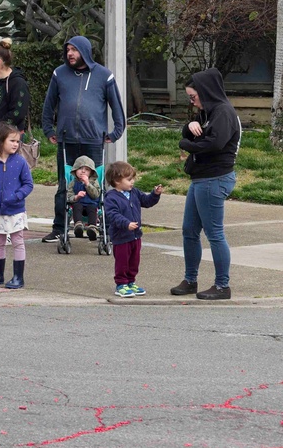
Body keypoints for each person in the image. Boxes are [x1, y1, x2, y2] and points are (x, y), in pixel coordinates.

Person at [40, 36, 126, 244]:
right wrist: (48, 129)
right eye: (68, 50)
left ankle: (98, 227)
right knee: (64, 185)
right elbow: (49, 104)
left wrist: (115, 133)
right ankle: (60, 228)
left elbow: (117, 107)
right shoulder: (59, 73)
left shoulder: (104, 76)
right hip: (66, 139)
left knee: (96, 185)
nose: (70, 53)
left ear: (85, 52)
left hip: (93, 140)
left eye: (75, 50)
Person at [171, 68, 241, 300]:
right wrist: (188, 127)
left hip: (214, 178)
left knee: (214, 234)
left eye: (193, 97)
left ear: (205, 91)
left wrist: (186, 144)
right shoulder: (208, 112)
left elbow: (213, 144)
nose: (193, 102)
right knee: (189, 231)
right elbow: (193, 135)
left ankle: (222, 286)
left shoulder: (224, 112)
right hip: (201, 179)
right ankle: (190, 280)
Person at [0, 122, 33, 290]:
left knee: (17, 241)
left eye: (18, 141)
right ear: (1, 141)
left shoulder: (20, 162)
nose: (16, 144)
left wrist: (17, 196)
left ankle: (18, 276)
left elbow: (28, 184)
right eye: (12, 141)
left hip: (15, 210)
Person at [103, 161, 162, 298]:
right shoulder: (111, 197)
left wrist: (155, 194)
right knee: (122, 261)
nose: (132, 182)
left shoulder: (134, 192)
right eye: (129, 179)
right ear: (117, 181)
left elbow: (147, 202)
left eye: (133, 179)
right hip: (121, 236)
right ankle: (121, 284)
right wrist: (126, 223)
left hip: (135, 235)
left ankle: (131, 281)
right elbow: (113, 215)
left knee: (134, 261)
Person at [66, 155, 102, 241]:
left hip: (91, 204)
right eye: (80, 169)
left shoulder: (94, 182)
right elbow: (69, 196)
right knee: (76, 206)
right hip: (78, 204)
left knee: (92, 209)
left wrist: (87, 184)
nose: (83, 171)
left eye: (87, 169)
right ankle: (78, 225)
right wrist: (77, 196)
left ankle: (92, 228)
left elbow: (96, 195)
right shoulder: (73, 182)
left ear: (91, 172)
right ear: (75, 170)